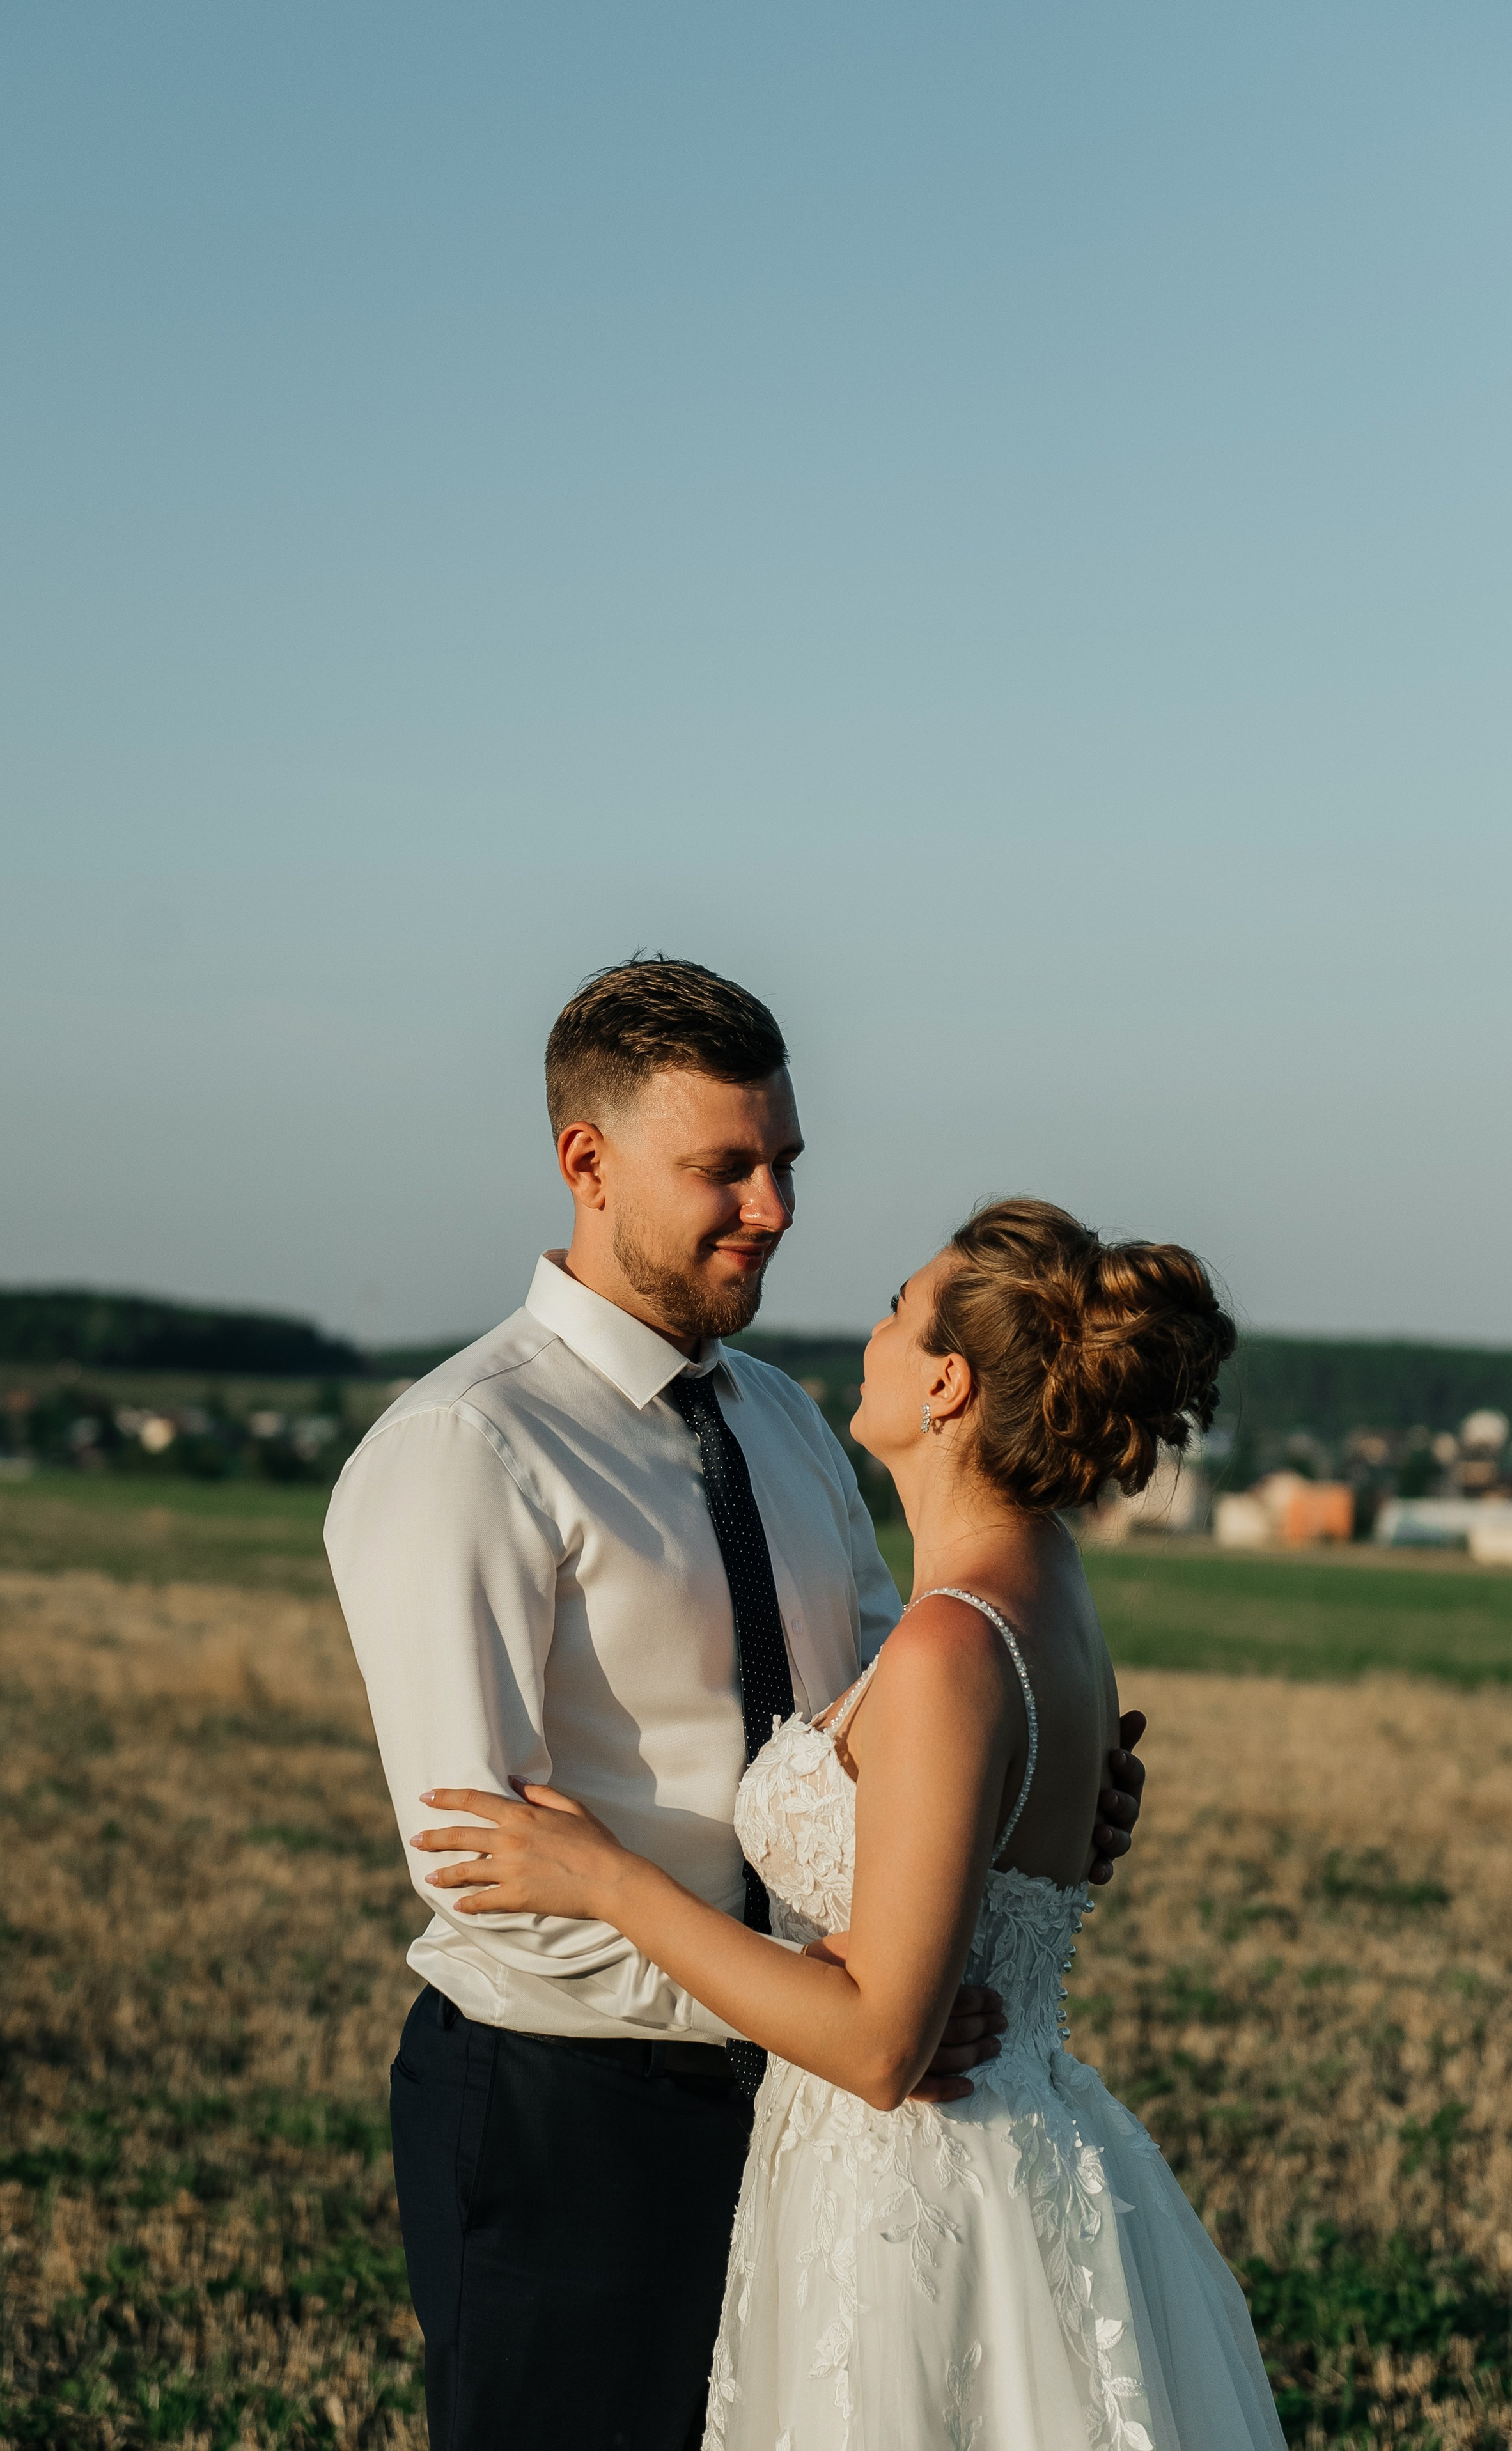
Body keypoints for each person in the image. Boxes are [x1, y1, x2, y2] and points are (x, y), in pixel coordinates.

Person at [325, 958, 1147, 2451]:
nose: (772, 1206)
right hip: (579, 2117)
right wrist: (826, 2006)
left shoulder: (782, 1421)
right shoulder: (467, 1449)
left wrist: (1026, 1794)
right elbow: (483, 1868)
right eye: (726, 1168)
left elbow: (893, 1718)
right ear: (587, 1163)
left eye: (784, 1161)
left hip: (822, 2113)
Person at [415, 1197, 1288, 2450]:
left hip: (912, 2191)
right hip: (999, 2144)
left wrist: (605, 1879)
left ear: (944, 1383)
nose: (870, 1335)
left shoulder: (948, 1645)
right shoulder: (1047, 1586)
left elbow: (881, 2043)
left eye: (894, 1310)